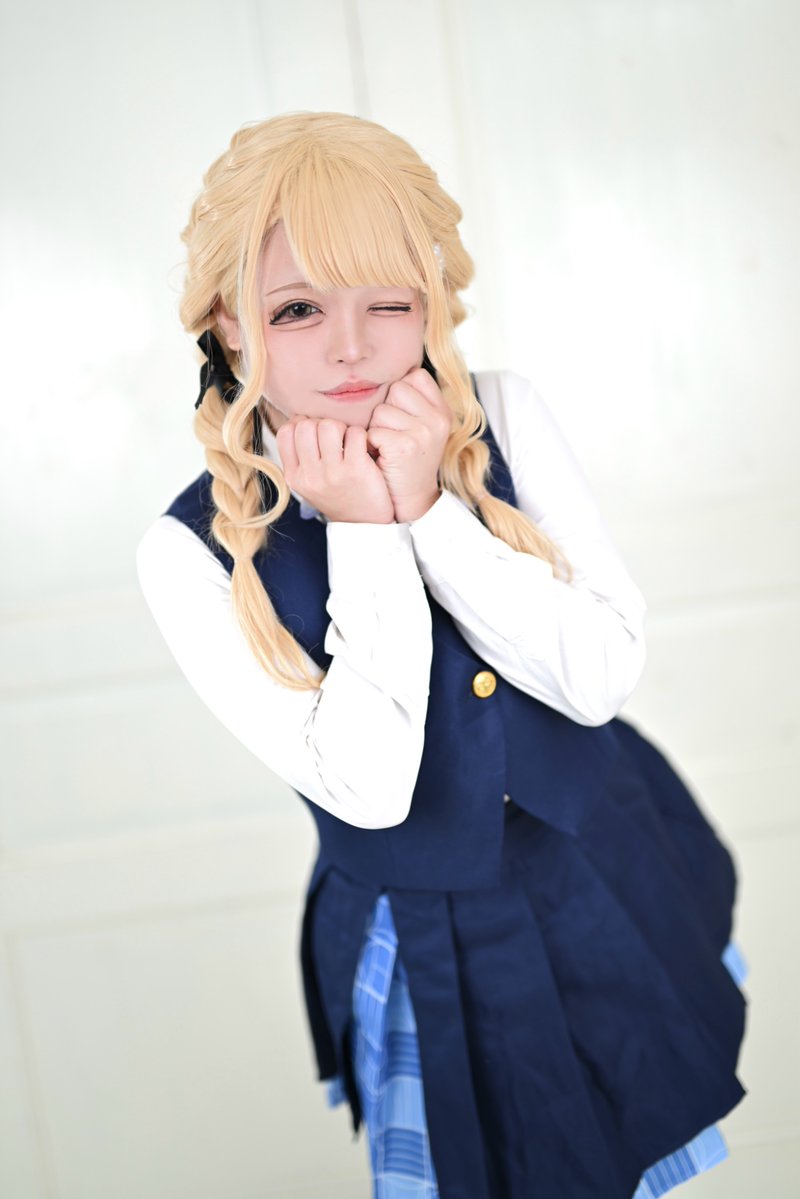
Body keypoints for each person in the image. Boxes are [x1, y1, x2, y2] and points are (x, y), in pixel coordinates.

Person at [136, 111, 748, 1199]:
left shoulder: (502, 410)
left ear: (430, 300)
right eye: (296, 308)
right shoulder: (187, 550)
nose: (352, 347)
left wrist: (428, 508)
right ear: (228, 322)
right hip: (430, 933)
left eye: (389, 301)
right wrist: (363, 528)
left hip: (606, 857)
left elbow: (599, 676)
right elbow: (370, 789)